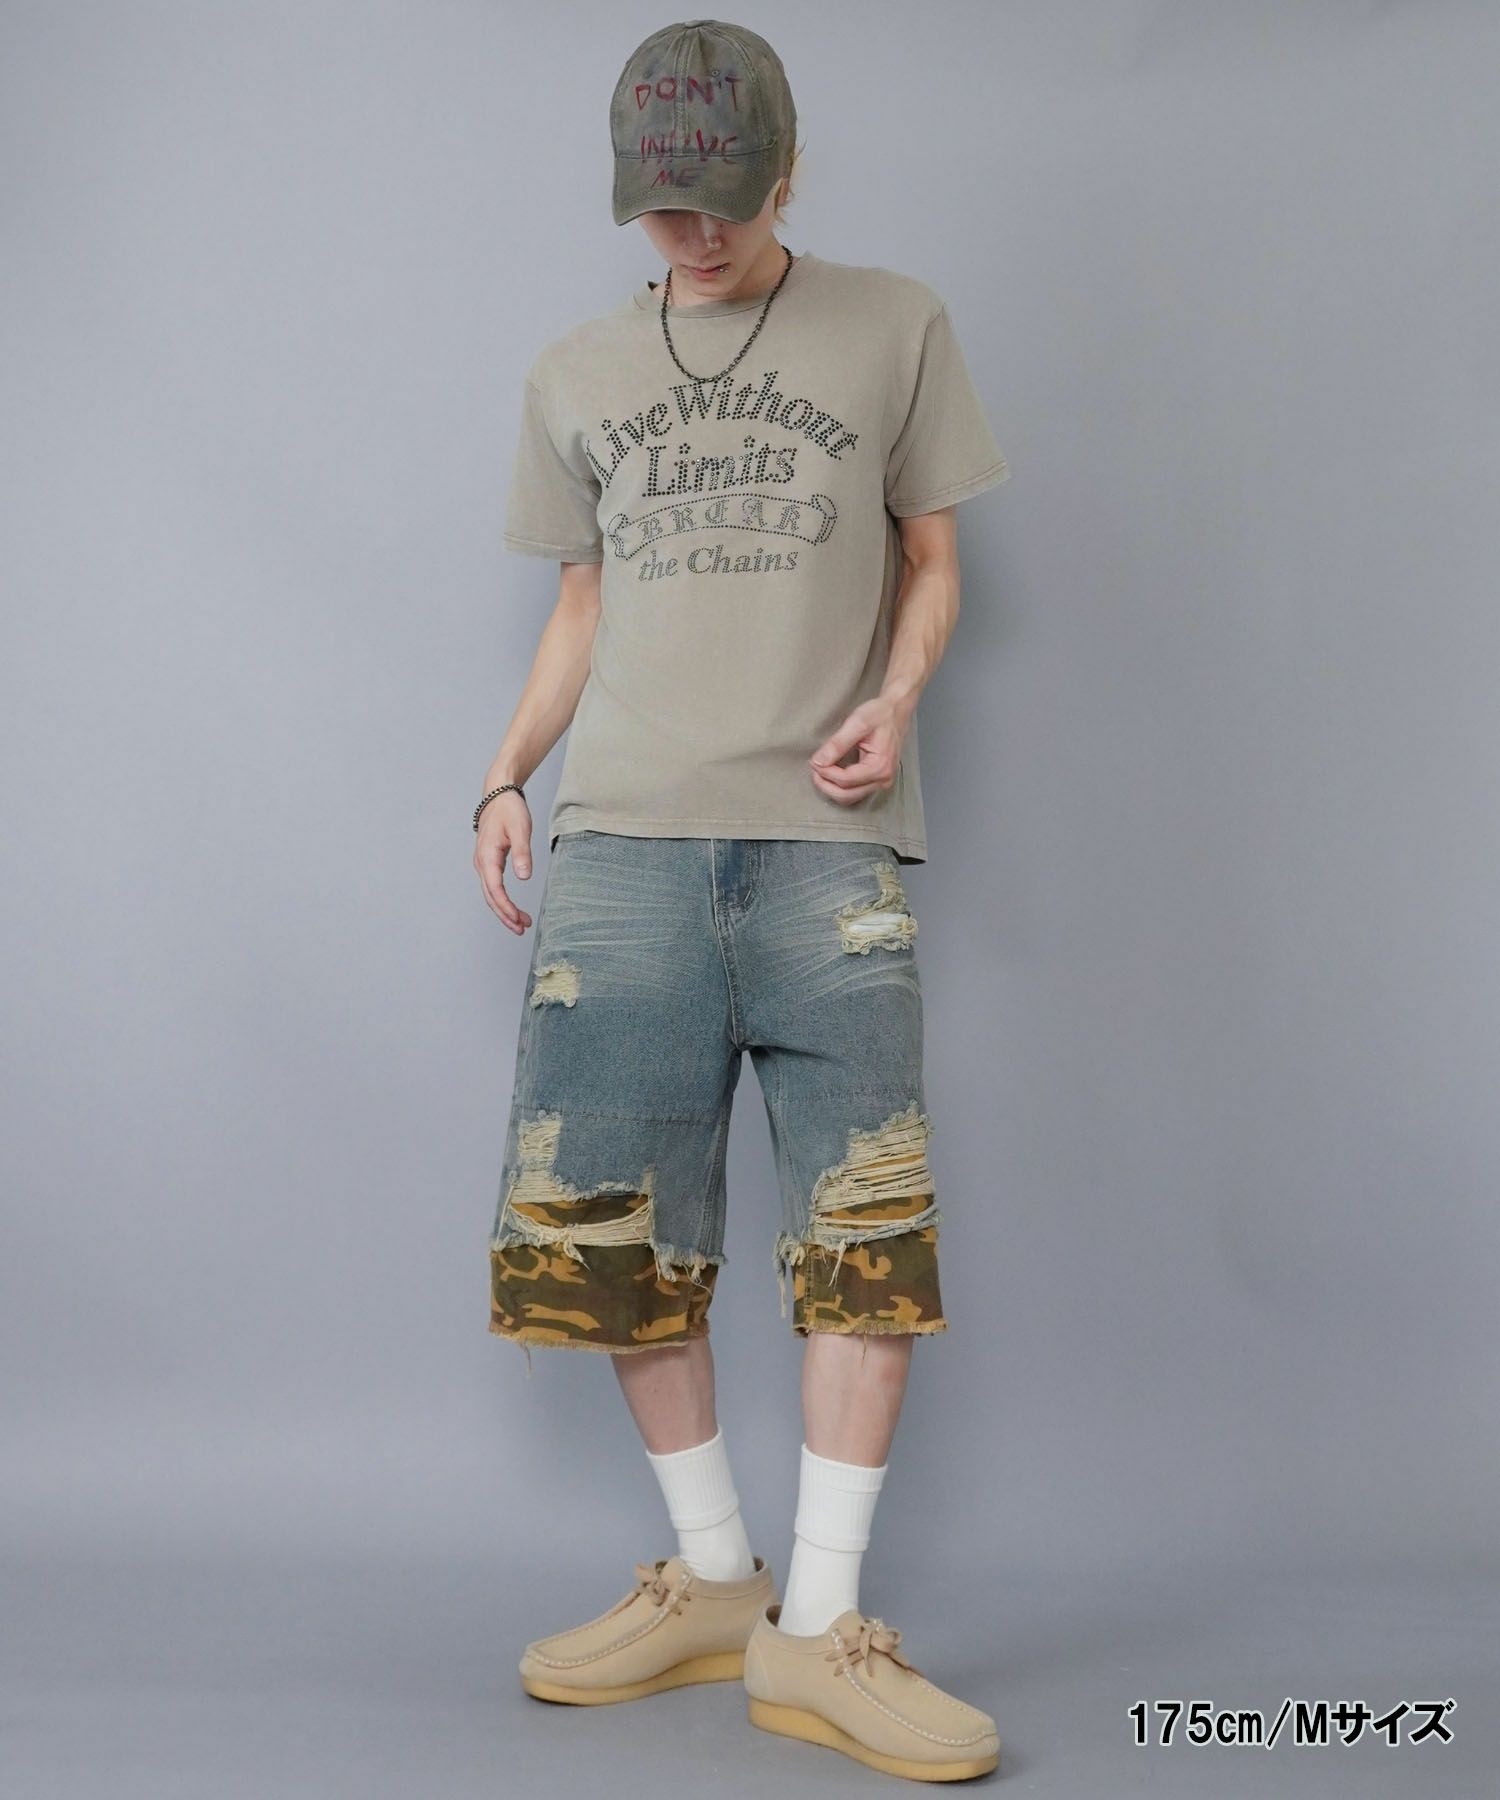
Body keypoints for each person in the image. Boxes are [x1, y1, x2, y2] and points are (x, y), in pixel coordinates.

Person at [474, 19, 1009, 1782]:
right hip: (623, 844)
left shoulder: (894, 325)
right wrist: (504, 775)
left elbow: (934, 559)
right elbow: (580, 606)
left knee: (867, 1230)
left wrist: (900, 696)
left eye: (721, 200)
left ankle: (819, 1628)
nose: (691, 235)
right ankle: (714, 1580)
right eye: (660, 207)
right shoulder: (573, 370)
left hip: (823, 849)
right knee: (613, 1237)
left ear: (788, 173)